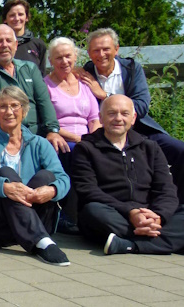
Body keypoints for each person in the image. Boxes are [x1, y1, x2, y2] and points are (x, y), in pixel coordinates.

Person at [77, 27, 184, 201]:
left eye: (106, 49)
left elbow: (141, 107)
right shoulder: (85, 73)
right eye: (96, 50)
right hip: (105, 134)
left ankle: (177, 205)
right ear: (89, 53)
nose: (101, 54)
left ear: (116, 49)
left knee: (180, 151)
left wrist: (104, 95)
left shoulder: (132, 69)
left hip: (140, 131)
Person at [71, 95, 184, 255]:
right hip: (113, 213)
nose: (118, 118)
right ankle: (168, 241)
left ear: (133, 118)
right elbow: (88, 190)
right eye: (112, 113)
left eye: (124, 113)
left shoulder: (150, 148)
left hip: (149, 212)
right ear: (101, 118)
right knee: (92, 211)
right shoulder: (86, 149)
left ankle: (128, 245)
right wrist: (131, 212)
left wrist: (159, 216)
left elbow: (166, 190)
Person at [0, 86, 70, 266]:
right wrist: (5, 187)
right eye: (2, 107)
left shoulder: (40, 143)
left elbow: (63, 178)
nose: (9, 111)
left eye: (15, 106)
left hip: (37, 208)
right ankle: (42, 242)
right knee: (5, 174)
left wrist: (52, 190)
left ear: (24, 111)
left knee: (46, 177)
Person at [0, 25, 67, 153]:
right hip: (8, 137)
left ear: (16, 45)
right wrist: (27, 139)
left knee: (62, 150)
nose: (4, 45)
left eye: (8, 40)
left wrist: (52, 131)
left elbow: (44, 101)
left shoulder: (30, 68)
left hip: (39, 134)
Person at [43, 36, 101, 234]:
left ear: (75, 56)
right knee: (75, 152)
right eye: (58, 57)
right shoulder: (46, 86)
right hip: (62, 139)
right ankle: (66, 215)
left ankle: (95, 212)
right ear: (51, 61)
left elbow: (94, 117)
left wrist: (95, 139)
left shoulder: (84, 83)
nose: (64, 61)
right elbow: (48, 121)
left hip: (88, 139)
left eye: (68, 56)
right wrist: (80, 140)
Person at [2, 0, 47, 75]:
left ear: (26, 18)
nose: (16, 18)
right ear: (5, 19)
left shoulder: (38, 44)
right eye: (12, 15)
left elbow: (42, 75)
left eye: (20, 14)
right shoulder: (0, 45)